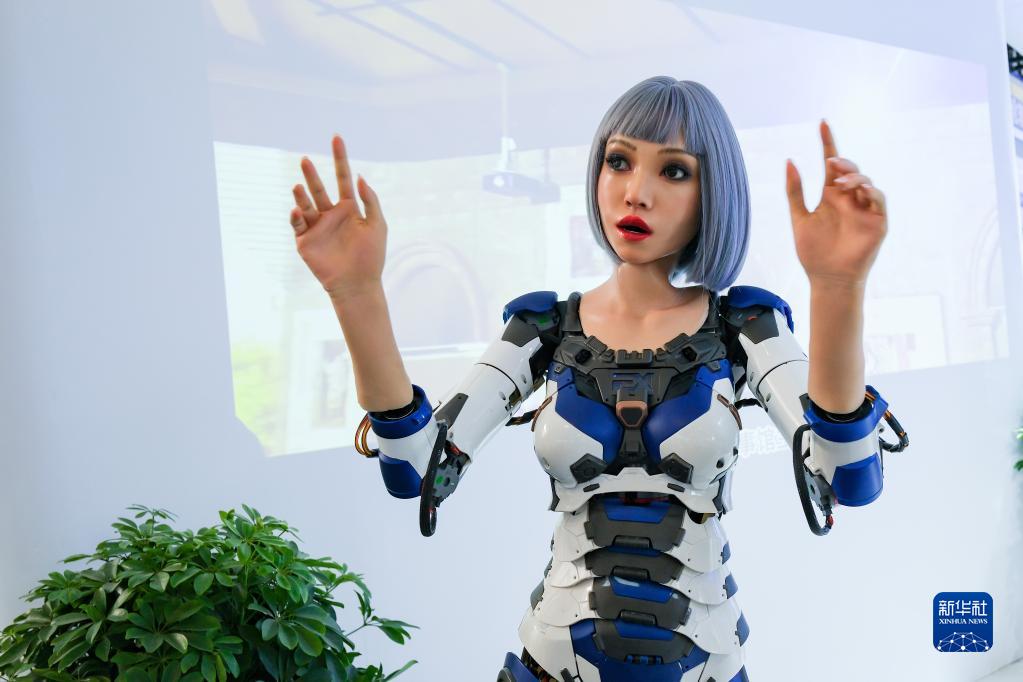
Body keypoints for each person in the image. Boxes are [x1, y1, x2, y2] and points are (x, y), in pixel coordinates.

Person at [288, 76, 902, 682]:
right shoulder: (541, 329)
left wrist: (838, 287)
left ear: (713, 192)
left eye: (674, 171)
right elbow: (417, 470)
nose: (636, 192)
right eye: (619, 161)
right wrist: (357, 296)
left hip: (704, 662)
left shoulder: (745, 325)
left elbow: (846, 477)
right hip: (552, 661)